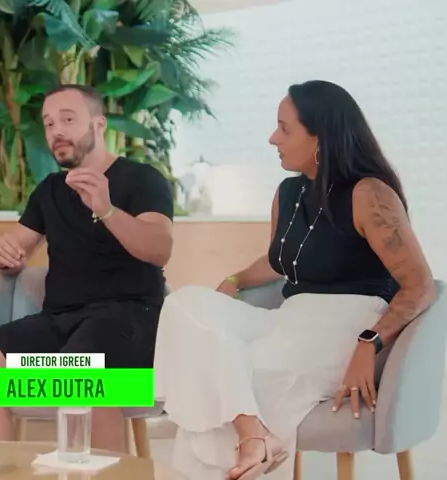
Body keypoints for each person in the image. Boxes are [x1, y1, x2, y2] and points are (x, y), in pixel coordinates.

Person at [155, 80, 436, 480]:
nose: (273, 138)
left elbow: (420, 284)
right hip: (289, 318)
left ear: (320, 137)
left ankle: (250, 443)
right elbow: (280, 261)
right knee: (185, 305)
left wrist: (369, 343)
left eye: (284, 128)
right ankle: (254, 434)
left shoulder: (368, 194)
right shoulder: (288, 192)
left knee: (222, 376)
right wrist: (235, 279)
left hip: (346, 325)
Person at [0, 84, 175, 452]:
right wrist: (5, 254)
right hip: (61, 322)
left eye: (68, 120)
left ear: (98, 125)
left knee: (79, 374)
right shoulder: (50, 190)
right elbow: (17, 246)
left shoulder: (142, 179)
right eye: (48, 124)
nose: (56, 131)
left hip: (131, 320)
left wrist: (107, 209)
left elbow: (160, 249)